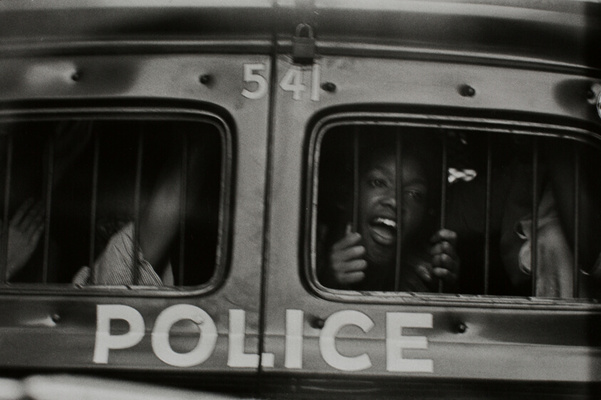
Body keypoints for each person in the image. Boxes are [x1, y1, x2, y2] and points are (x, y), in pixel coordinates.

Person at [320, 137, 460, 292]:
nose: (395, 201)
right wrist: (327, 283)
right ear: (349, 192)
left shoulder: (421, 270)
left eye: (414, 194)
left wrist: (442, 288)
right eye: (378, 183)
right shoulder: (308, 249)